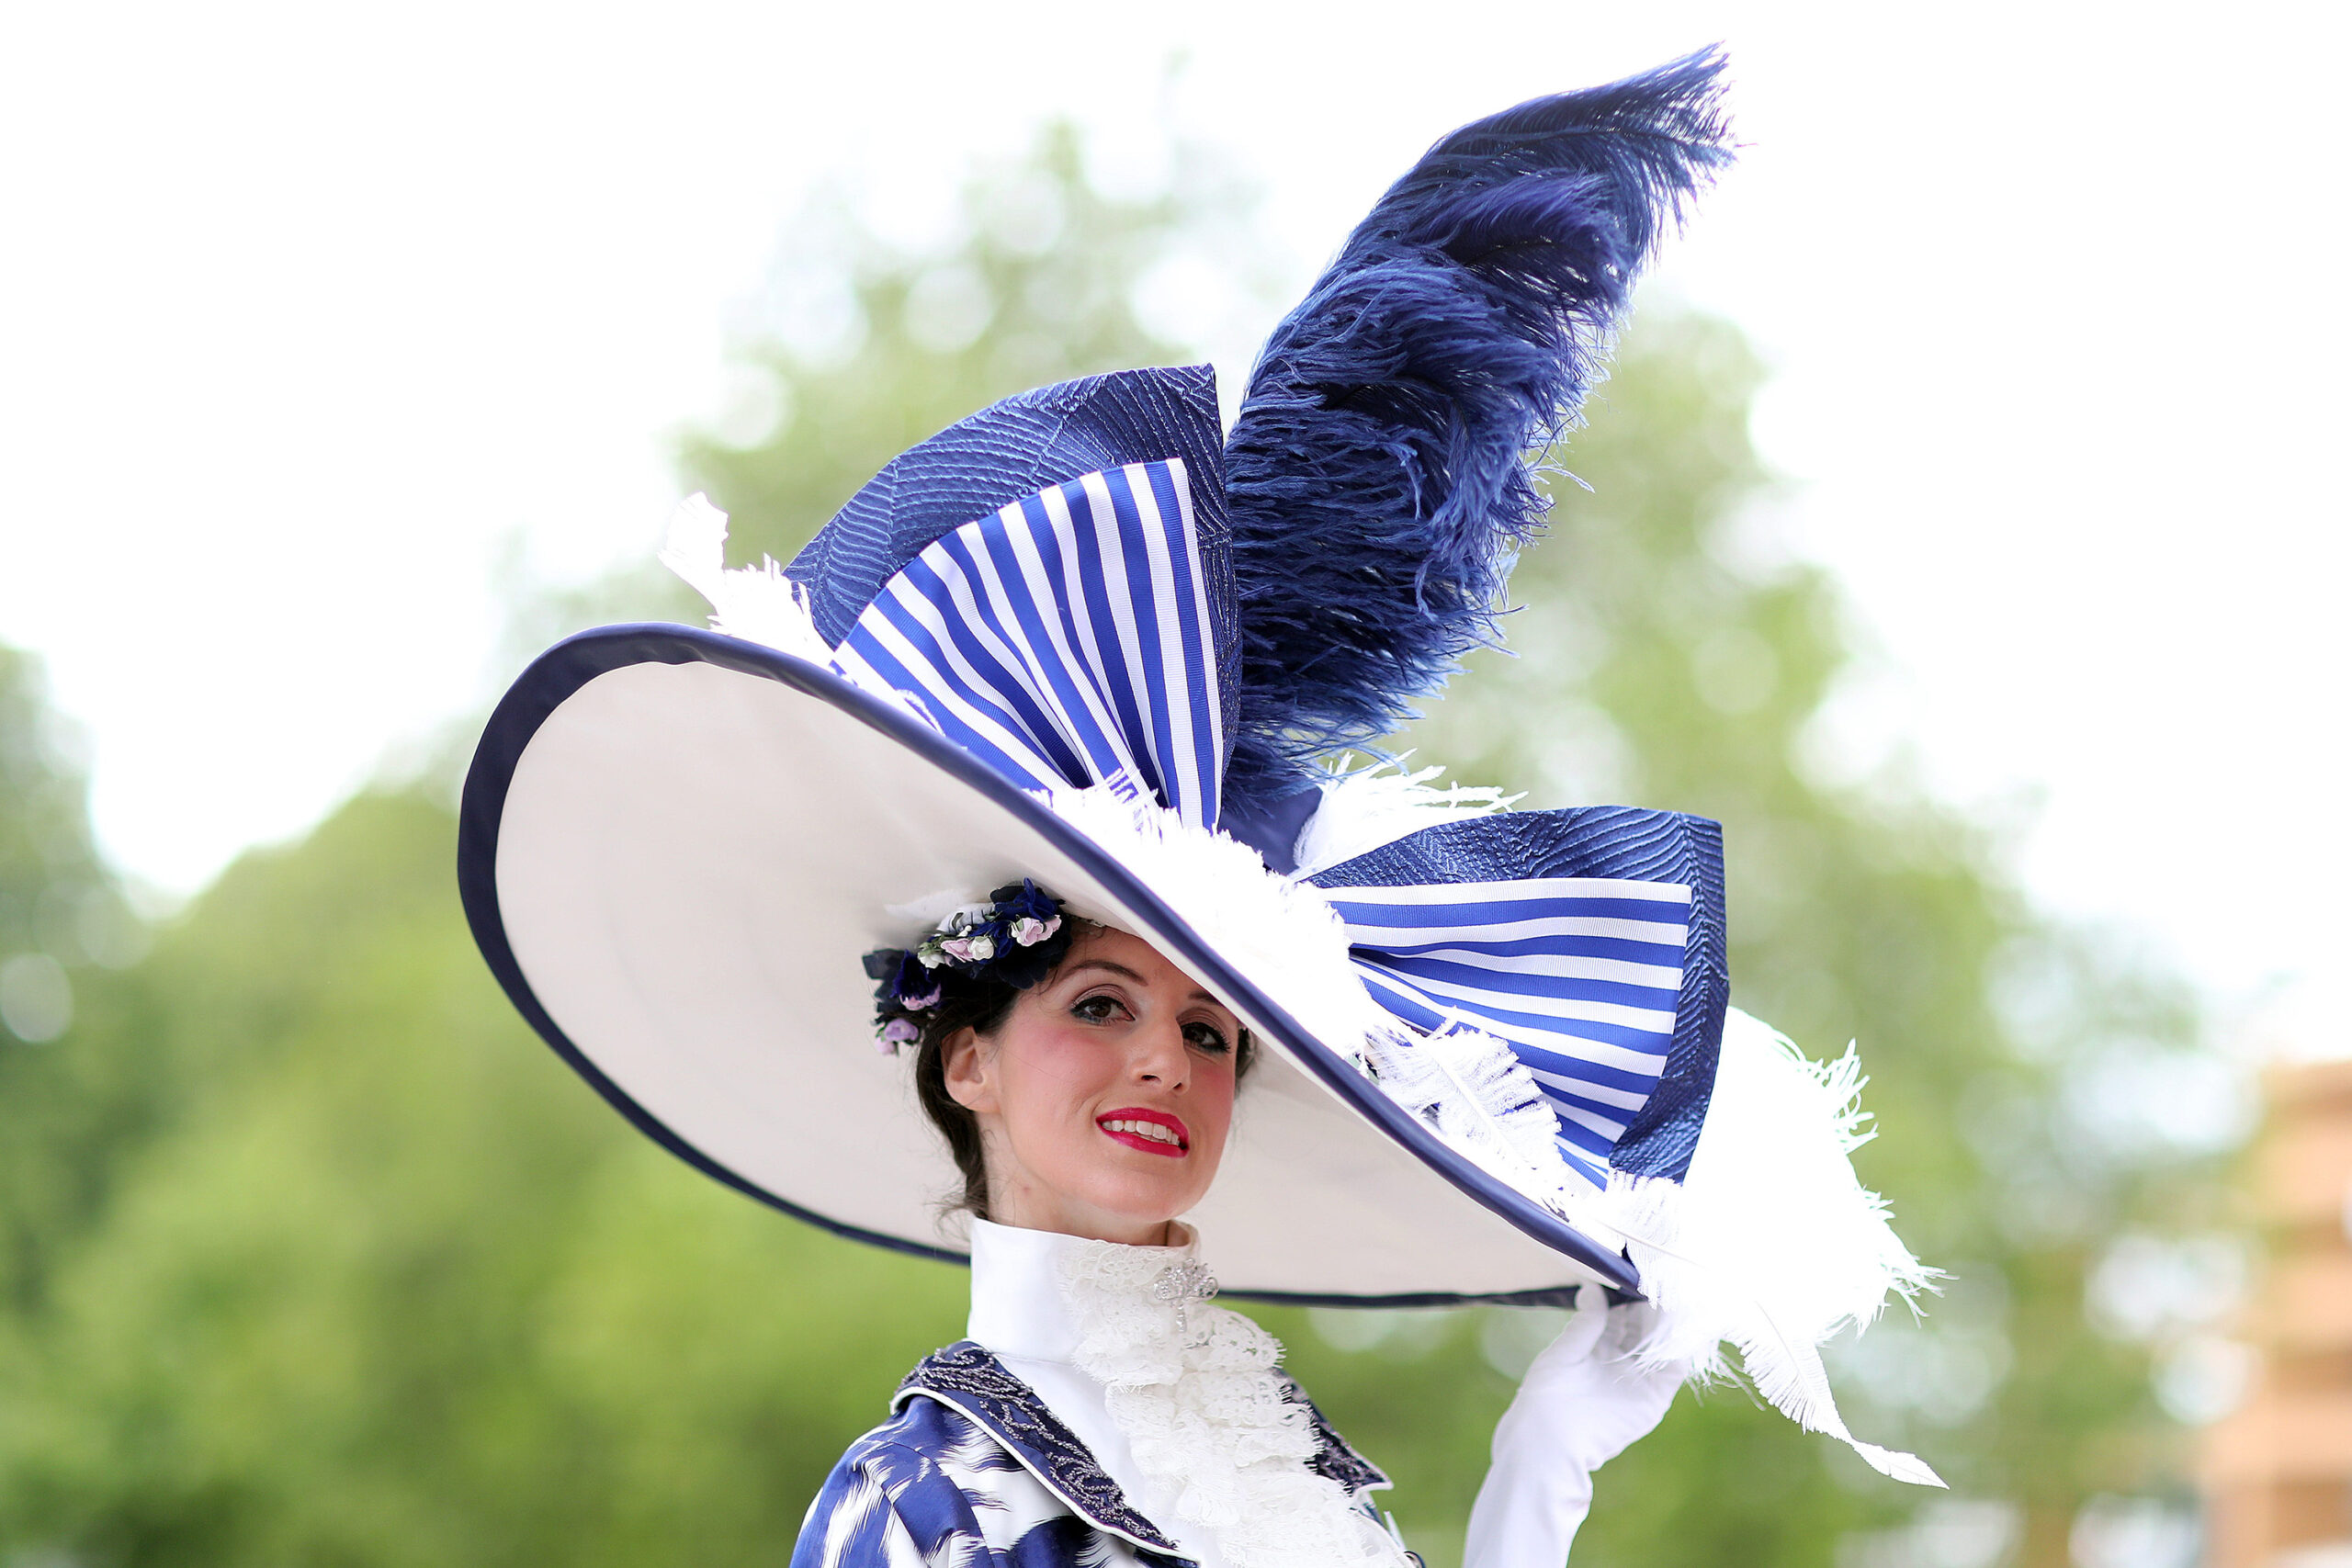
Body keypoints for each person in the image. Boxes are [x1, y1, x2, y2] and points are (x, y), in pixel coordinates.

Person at [458, 45, 1939, 1568]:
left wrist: (1539, 1472)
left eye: (1213, 1030)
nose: (1168, 1058)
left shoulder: (1293, 1483)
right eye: (1101, 1003)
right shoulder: (918, 1506)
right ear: (964, 1058)